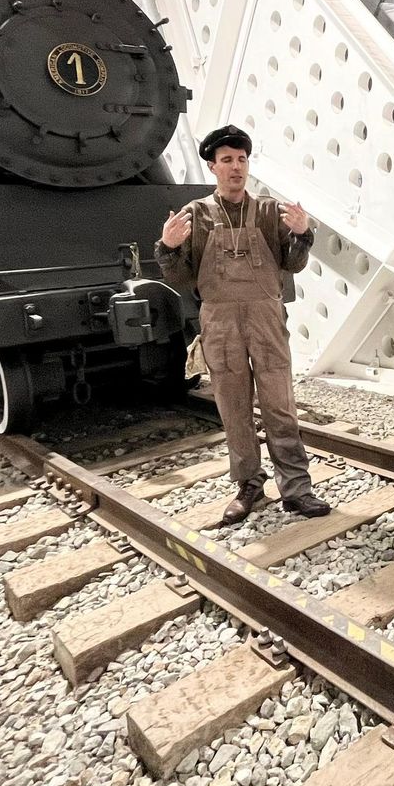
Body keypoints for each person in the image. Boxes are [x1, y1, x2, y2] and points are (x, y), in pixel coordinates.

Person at [156, 124, 331, 523]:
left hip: (266, 319)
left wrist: (302, 235)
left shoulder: (270, 211)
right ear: (212, 167)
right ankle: (249, 484)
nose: (236, 167)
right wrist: (168, 247)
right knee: (233, 409)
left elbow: (291, 264)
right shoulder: (195, 215)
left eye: (242, 159)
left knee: (280, 407)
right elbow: (182, 279)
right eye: (227, 161)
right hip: (219, 322)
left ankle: (297, 489)